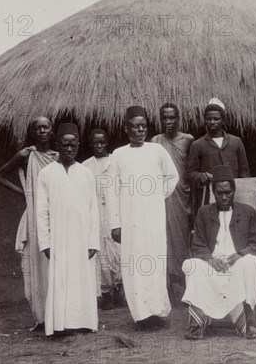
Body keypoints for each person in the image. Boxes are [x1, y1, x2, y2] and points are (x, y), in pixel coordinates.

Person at [110, 106, 179, 330]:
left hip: (153, 217)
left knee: (155, 260)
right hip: (130, 219)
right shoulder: (119, 154)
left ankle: (158, 311)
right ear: (126, 128)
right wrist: (116, 223)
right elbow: (112, 190)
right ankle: (141, 315)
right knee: (134, 265)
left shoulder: (157, 151)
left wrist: (157, 195)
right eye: (135, 126)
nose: (140, 130)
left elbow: (173, 177)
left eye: (143, 126)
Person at [182, 165, 256, 340]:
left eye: (228, 192)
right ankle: (197, 323)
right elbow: (198, 245)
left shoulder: (248, 212)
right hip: (213, 263)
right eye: (220, 193)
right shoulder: (204, 213)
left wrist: (241, 254)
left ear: (234, 191)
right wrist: (210, 260)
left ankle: (248, 321)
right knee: (192, 265)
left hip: (238, 263)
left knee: (250, 263)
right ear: (213, 193)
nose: (224, 197)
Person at [36, 123, 100, 336]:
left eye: (73, 145)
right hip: (59, 239)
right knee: (61, 281)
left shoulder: (86, 174)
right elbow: (41, 212)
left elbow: (93, 211)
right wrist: (45, 243)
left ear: (79, 146)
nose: (69, 149)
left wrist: (93, 242)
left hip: (82, 238)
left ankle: (83, 321)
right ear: (57, 145)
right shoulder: (46, 174)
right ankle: (61, 325)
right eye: (65, 145)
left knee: (82, 280)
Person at [0, 116, 58, 328]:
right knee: (38, 260)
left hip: (55, 215)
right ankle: (42, 315)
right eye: (38, 128)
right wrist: (23, 192)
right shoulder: (25, 155)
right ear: (33, 132)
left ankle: (58, 313)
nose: (42, 131)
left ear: (51, 130)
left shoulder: (57, 157)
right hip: (34, 216)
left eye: (46, 127)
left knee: (55, 263)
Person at [151, 103, 195, 304]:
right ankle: (167, 284)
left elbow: (192, 171)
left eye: (172, 117)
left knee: (182, 240)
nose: (168, 121)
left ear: (178, 119)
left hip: (183, 197)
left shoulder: (188, 140)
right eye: (164, 117)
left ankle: (186, 283)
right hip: (162, 197)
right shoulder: (155, 141)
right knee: (164, 239)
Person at [82, 128, 123, 310]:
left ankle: (121, 289)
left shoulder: (116, 161)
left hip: (116, 212)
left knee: (118, 249)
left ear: (107, 143)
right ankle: (105, 292)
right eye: (95, 143)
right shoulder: (85, 165)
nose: (99, 146)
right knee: (101, 252)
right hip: (95, 213)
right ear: (90, 144)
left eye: (102, 142)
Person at [187, 100, 250, 215]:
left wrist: (244, 195)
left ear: (223, 120)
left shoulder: (236, 142)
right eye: (208, 119)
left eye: (216, 119)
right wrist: (201, 176)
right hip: (210, 198)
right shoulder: (197, 145)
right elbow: (191, 173)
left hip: (234, 197)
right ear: (204, 120)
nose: (212, 122)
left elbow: (244, 172)